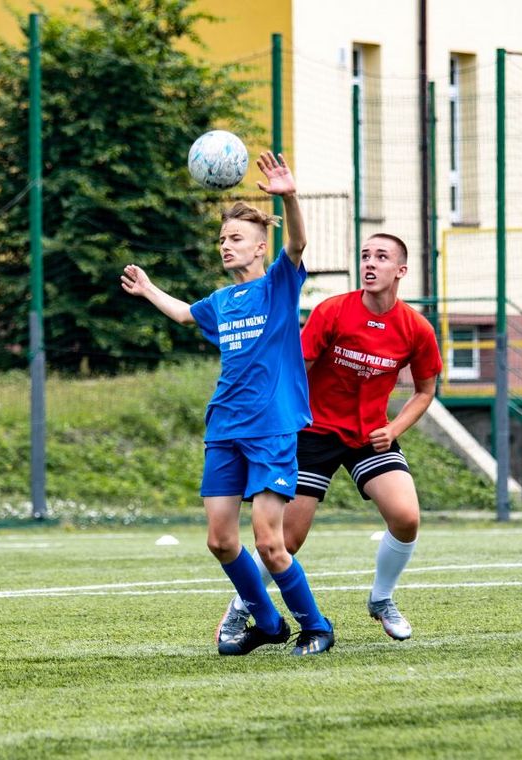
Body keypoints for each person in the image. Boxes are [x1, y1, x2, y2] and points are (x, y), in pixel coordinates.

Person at [120, 151, 334, 656]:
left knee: (269, 542)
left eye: (235, 239)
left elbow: (298, 242)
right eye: (221, 239)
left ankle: (317, 626)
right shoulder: (221, 301)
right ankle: (266, 623)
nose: (225, 246)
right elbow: (182, 315)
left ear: (261, 247)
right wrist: (149, 288)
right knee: (220, 540)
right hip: (224, 428)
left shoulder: (277, 286)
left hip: (271, 428)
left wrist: (289, 196)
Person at [223, 233, 442, 641]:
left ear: (401, 270)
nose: (370, 264)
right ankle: (240, 609)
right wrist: (277, 419)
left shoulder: (416, 328)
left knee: (407, 517)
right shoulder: (333, 312)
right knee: (287, 538)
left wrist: (394, 429)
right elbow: (296, 368)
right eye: (365, 256)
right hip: (313, 433)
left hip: (368, 436)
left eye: (381, 257)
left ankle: (381, 599)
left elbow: (425, 391)